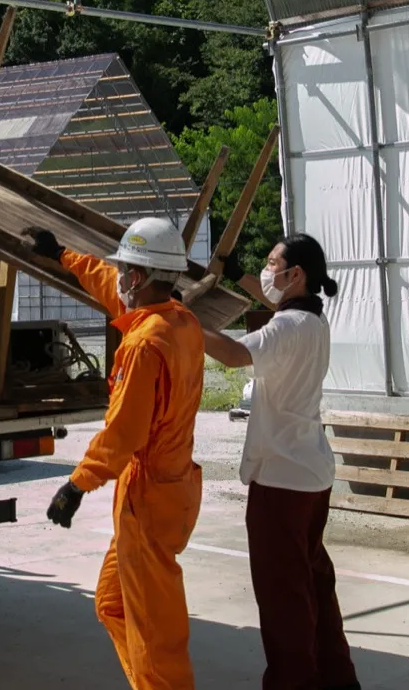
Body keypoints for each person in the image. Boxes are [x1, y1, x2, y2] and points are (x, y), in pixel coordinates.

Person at [32, 217, 204, 690]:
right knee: (112, 603)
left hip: (148, 496)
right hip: (169, 489)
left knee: (154, 634)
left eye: (127, 268)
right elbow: (111, 287)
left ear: (141, 277)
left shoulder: (145, 346)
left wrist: (77, 484)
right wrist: (63, 255)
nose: (121, 276)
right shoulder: (180, 321)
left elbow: (124, 432)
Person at [202, 233, 359, 690]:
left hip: (282, 481)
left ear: (296, 275)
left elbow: (233, 355)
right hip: (311, 473)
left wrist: (179, 318)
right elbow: (274, 302)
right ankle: (337, 679)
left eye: (273, 265)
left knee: (283, 597)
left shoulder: (286, 329)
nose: (267, 272)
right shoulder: (311, 320)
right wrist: (236, 275)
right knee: (313, 586)